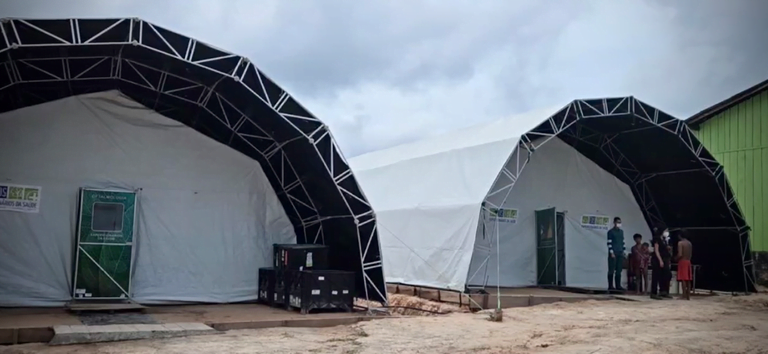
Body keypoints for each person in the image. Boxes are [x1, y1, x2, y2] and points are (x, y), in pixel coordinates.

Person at [650, 226, 672, 299]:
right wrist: (660, 260)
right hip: (657, 259)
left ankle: (663, 291)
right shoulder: (657, 239)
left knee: (664, 275)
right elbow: (656, 250)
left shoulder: (664, 240)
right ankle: (653, 293)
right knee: (656, 276)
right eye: (666, 230)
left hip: (664, 258)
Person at [607, 217, 625, 291]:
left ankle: (618, 285)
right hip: (613, 253)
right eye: (617, 222)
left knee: (619, 270)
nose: (619, 224)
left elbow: (622, 242)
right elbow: (609, 243)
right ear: (614, 223)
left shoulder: (621, 232)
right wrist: (611, 252)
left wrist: (623, 251)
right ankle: (610, 285)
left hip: (620, 252)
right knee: (611, 269)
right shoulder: (610, 232)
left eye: (620, 222)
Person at [676, 229, 693, 300]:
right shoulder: (689, 243)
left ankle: (684, 295)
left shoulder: (680, 243)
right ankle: (688, 295)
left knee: (683, 278)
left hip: (682, 261)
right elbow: (690, 254)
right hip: (688, 261)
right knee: (688, 279)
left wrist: (675, 258)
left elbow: (680, 254)